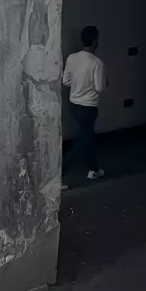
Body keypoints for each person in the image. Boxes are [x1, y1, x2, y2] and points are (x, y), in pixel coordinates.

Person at [62, 26, 106, 186]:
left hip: (74, 105)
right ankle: (59, 175)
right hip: (89, 107)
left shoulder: (72, 58)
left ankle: (93, 170)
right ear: (95, 41)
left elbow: (65, 81)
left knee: (88, 136)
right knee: (82, 140)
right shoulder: (97, 63)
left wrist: (78, 84)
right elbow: (100, 87)